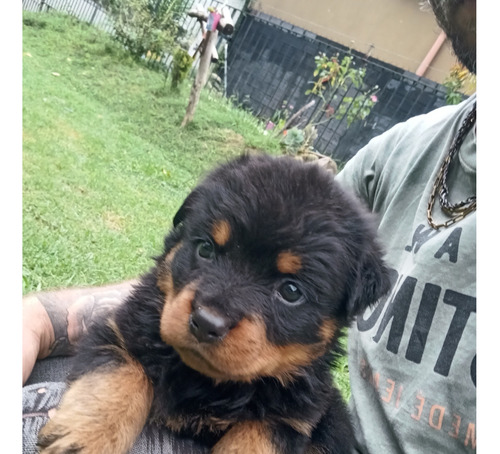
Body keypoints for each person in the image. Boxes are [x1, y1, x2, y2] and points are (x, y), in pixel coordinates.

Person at [22, 0, 476, 452]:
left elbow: (299, 421)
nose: (212, 311)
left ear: (341, 315)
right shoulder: (408, 149)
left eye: (290, 291)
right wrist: (41, 318)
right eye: (206, 249)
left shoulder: (293, 396)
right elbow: (119, 333)